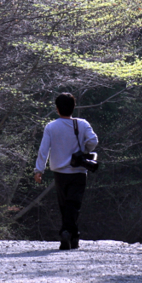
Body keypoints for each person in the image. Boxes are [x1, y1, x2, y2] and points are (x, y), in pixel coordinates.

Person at [33, 92, 98, 250]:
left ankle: (69, 234)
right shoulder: (82, 124)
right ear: (73, 107)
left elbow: (43, 150)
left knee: (65, 205)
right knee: (74, 205)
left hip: (60, 173)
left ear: (57, 109)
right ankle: (70, 234)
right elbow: (93, 142)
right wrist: (84, 150)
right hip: (79, 172)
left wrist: (38, 170)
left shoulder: (51, 127)